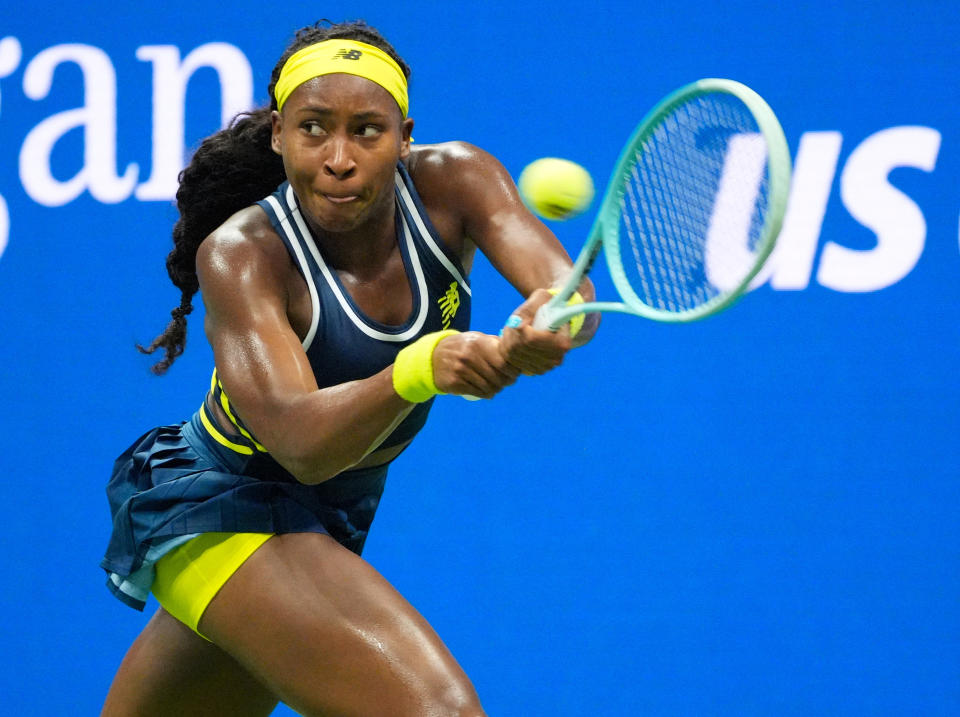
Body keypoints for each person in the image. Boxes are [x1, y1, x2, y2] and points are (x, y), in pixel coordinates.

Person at [100, 19, 597, 717]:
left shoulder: (457, 181)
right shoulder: (243, 253)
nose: (339, 157)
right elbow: (301, 445)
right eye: (313, 128)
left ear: (405, 137)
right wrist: (419, 367)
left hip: (329, 515)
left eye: (367, 130)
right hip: (225, 504)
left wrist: (546, 323)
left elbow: (565, 292)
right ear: (279, 133)